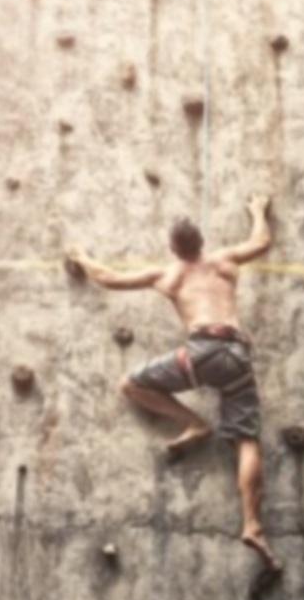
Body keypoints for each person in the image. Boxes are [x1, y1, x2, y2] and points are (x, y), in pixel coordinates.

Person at [65, 194, 281, 579]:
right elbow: (262, 242)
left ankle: (194, 423)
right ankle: (252, 524)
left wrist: (81, 256)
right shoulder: (225, 260)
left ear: (173, 248)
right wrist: (258, 211)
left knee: (130, 384)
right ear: (201, 242)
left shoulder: (169, 274)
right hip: (237, 356)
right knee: (246, 440)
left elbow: (110, 278)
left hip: (200, 354)